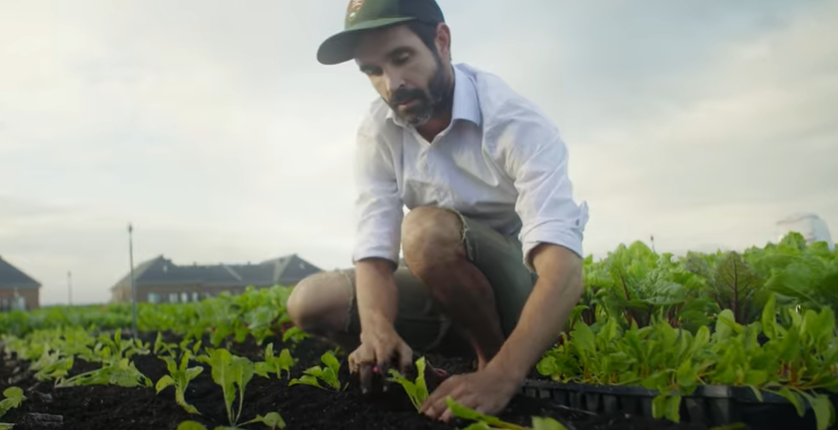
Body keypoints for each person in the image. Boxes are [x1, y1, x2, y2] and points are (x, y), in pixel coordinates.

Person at [286, 0, 589, 422]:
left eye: (401, 58)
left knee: (425, 231)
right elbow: (375, 246)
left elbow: (563, 269)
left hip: (524, 297)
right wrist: (377, 327)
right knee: (311, 302)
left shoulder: (511, 119)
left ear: (441, 41)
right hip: (448, 295)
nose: (392, 84)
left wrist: (503, 375)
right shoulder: (379, 130)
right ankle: (421, 373)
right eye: (372, 70)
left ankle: (495, 365)